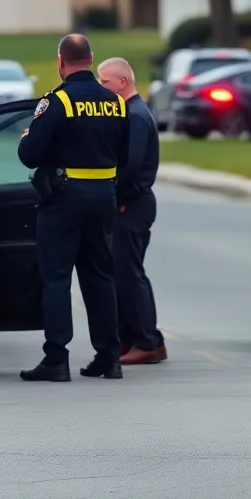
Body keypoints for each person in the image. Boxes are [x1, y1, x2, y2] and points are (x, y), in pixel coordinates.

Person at [17, 34, 130, 382]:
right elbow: (124, 156)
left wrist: (26, 138)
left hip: (64, 198)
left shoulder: (58, 102)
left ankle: (56, 359)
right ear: (92, 59)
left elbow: (29, 155)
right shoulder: (116, 103)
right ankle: (110, 357)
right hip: (104, 197)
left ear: (61, 62)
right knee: (100, 276)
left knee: (56, 278)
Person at [97, 57, 166, 364]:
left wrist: (118, 195)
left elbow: (131, 166)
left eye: (105, 82)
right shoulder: (129, 112)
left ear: (122, 83)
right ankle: (135, 338)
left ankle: (147, 341)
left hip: (132, 204)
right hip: (129, 202)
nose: (101, 88)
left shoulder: (135, 115)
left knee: (128, 275)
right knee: (124, 273)